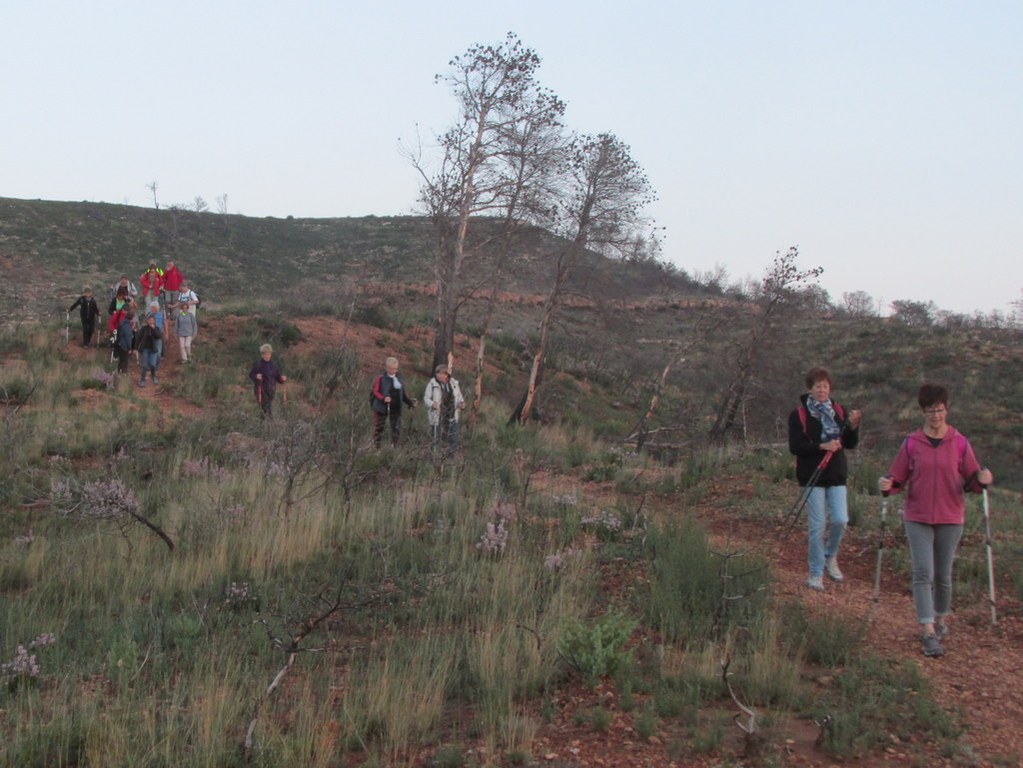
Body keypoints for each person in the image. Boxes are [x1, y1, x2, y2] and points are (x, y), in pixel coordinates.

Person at [879, 384, 993, 658]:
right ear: (923, 412)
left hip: (950, 516)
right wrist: (887, 485)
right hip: (917, 516)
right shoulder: (911, 443)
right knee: (922, 573)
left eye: (939, 409)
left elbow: (972, 480)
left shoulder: (960, 443)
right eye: (930, 410)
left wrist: (982, 480)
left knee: (942, 576)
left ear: (946, 409)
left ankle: (940, 618)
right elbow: (897, 478)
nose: (935, 415)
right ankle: (928, 629)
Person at [788, 366, 861, 592]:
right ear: (810, 389)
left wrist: (854, 428)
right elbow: (796, 446)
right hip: (811, 475)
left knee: (841, 519)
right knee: (817, 526)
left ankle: (830, 555)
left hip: (836, 473)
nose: (822, 389)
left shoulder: (839, 411)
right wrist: (822, 446)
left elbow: (849, 443)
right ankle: (816, 573)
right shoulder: (799, 415)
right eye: (818, 386)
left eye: (825, 386)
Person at [370, 356, 416, 446]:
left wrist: (410, 403)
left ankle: (394, 448)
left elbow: (403, 395)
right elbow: (375, 391)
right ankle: (376, 447)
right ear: (386, 368)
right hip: (381, 408)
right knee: (379, 428)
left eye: (395, 369)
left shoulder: (399, 380)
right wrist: (383, 398)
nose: (393, 371)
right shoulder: (381, 378)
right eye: (391, 369)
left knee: (396, 428)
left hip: (396, 408)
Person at [423, 364, 466, 455]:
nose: (440, 376)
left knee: (452, 438)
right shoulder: (432, 384)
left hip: (451, 414)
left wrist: (461, 403)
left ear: (447, 375)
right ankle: (435, 457)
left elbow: (459, 397)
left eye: (443, 374)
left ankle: (451, 458)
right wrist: (432, 404)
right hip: (437, 415)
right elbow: (426, 398)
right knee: (436, 438)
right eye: (438, 373)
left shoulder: (454, 384)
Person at [249, 344, 288, 418]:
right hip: (261, 390)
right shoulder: (258, 364)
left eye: (269, 353)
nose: (267, 355)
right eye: (265, 354)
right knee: (266, 409)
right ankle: (268, 424)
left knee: (266, 408)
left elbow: (278, 378)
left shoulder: (274, 366)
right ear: (262, 354)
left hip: (271, 391)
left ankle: (263, 424)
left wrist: (282, 379)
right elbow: (251, 374)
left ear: (271, 354)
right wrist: (256, 376)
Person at [134, 314, 162, 386]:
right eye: (149, 320)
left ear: (155, 321)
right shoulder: (144, 328)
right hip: (145, 349)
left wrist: (153, 329)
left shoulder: (157, 328)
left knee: (152, 365)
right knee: (145, 365)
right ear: (147, 320)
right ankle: (142, 380)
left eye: (152, 320)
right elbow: (138, 338)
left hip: (153, 349)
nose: (151, 321)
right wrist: (135, 348)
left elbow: (158, 336)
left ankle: (153, 376)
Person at [175, 293, 198, 363]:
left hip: (189, 333)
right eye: (183, 308)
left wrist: (194, 333)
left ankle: (189, 356)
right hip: (181, 333)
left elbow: (194, 325)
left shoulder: (191, 315)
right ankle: (184, 359)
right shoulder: (179, 316)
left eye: (186, 308)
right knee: (182, 347)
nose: (184, 309)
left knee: (187, 345)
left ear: (187, 308)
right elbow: (176, 325)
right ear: (181, 308)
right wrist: (175, 333)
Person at [161, 259, 183, 328]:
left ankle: (173, 317)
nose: (170, 265)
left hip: (175, 290)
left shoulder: (176, 270)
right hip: (167, 290)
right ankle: (167, 316)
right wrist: (166, 271)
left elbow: (181, 278)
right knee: (167, 302)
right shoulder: (166, 271)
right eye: (169, 264)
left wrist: (178, 285)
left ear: (173, 264)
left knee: (174, 303)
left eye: (171, 264)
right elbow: (162, 278)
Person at [114, 309, 136, 375]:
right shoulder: (127, 325)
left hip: (120, 344)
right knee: (125, 361)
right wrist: (129, 348)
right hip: (124, 346)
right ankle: (123, 375)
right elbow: (128, 337)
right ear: (131, 318)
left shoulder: (123, 323)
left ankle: (119, 373)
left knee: (121, 361)